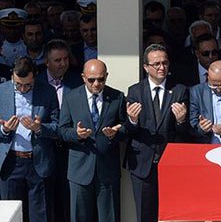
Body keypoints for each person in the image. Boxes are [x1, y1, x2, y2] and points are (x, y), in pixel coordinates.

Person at [124, 44, 189, 222]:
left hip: (170, 162)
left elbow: (183, 131)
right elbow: (129, 131)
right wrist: (132, 120)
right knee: (145, 215)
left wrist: (181, 120)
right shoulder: (135, 91)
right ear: (146, 67)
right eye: (157, 64)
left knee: (172, 214)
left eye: (165, 63)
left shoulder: (179, 90)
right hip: (143, 163)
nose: (162, 67)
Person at [58, 59, 127, 222]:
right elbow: (61, 130)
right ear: (83, 77)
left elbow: (125, 128)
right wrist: (77, 134)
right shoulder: (71, 98)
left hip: (107, 170)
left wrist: (115, 134)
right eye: (91, 80)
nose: (96, 84)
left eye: (101, 79)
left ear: (106, 77)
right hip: (80, 170)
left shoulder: (117, 97)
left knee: (109, 217)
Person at [0, 57, 59, 222]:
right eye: (18, 84)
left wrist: (39, 128)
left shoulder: (47, 92)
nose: (22, 88)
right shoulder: (2, 91)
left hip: (38, 162)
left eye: (27, 85)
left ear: (35, 76)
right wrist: (4, 129)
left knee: (40, 215)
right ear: (12, 76)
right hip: (10, 162)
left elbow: (58, 127)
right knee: (9, 215)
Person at [35, 39, 83, 222]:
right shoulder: (36, 81)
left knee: (68, 195)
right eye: (57, 60)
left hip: (70, 148)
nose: (63, 64)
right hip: (45, 148)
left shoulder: (77, 80)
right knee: (46, 197)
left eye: (65, 59)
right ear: (46, 62)